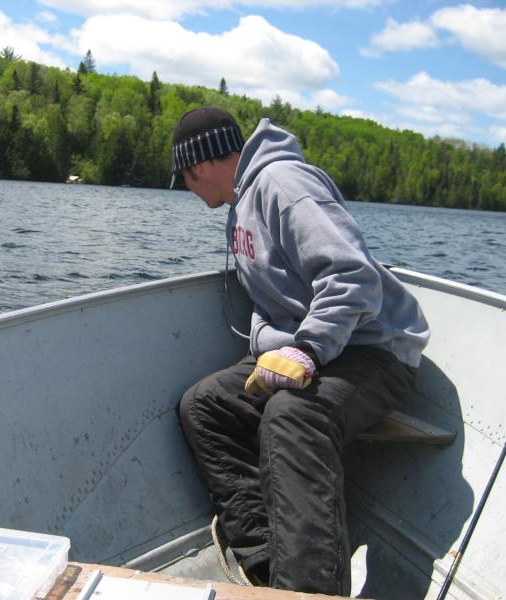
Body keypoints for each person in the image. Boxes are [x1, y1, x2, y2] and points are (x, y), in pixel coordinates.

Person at [171, 106, 430, 595]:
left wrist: (308, 349)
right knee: (204, 406)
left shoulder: (285, 186)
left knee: (292, 417)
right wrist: (277, 347)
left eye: (184, 178)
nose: (187, 189)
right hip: (315, 345)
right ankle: (272, 566)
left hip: (374, 348)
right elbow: (275, 302)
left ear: (197, 167)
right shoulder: (241, 206)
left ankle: (310, 592)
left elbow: (353, 276)